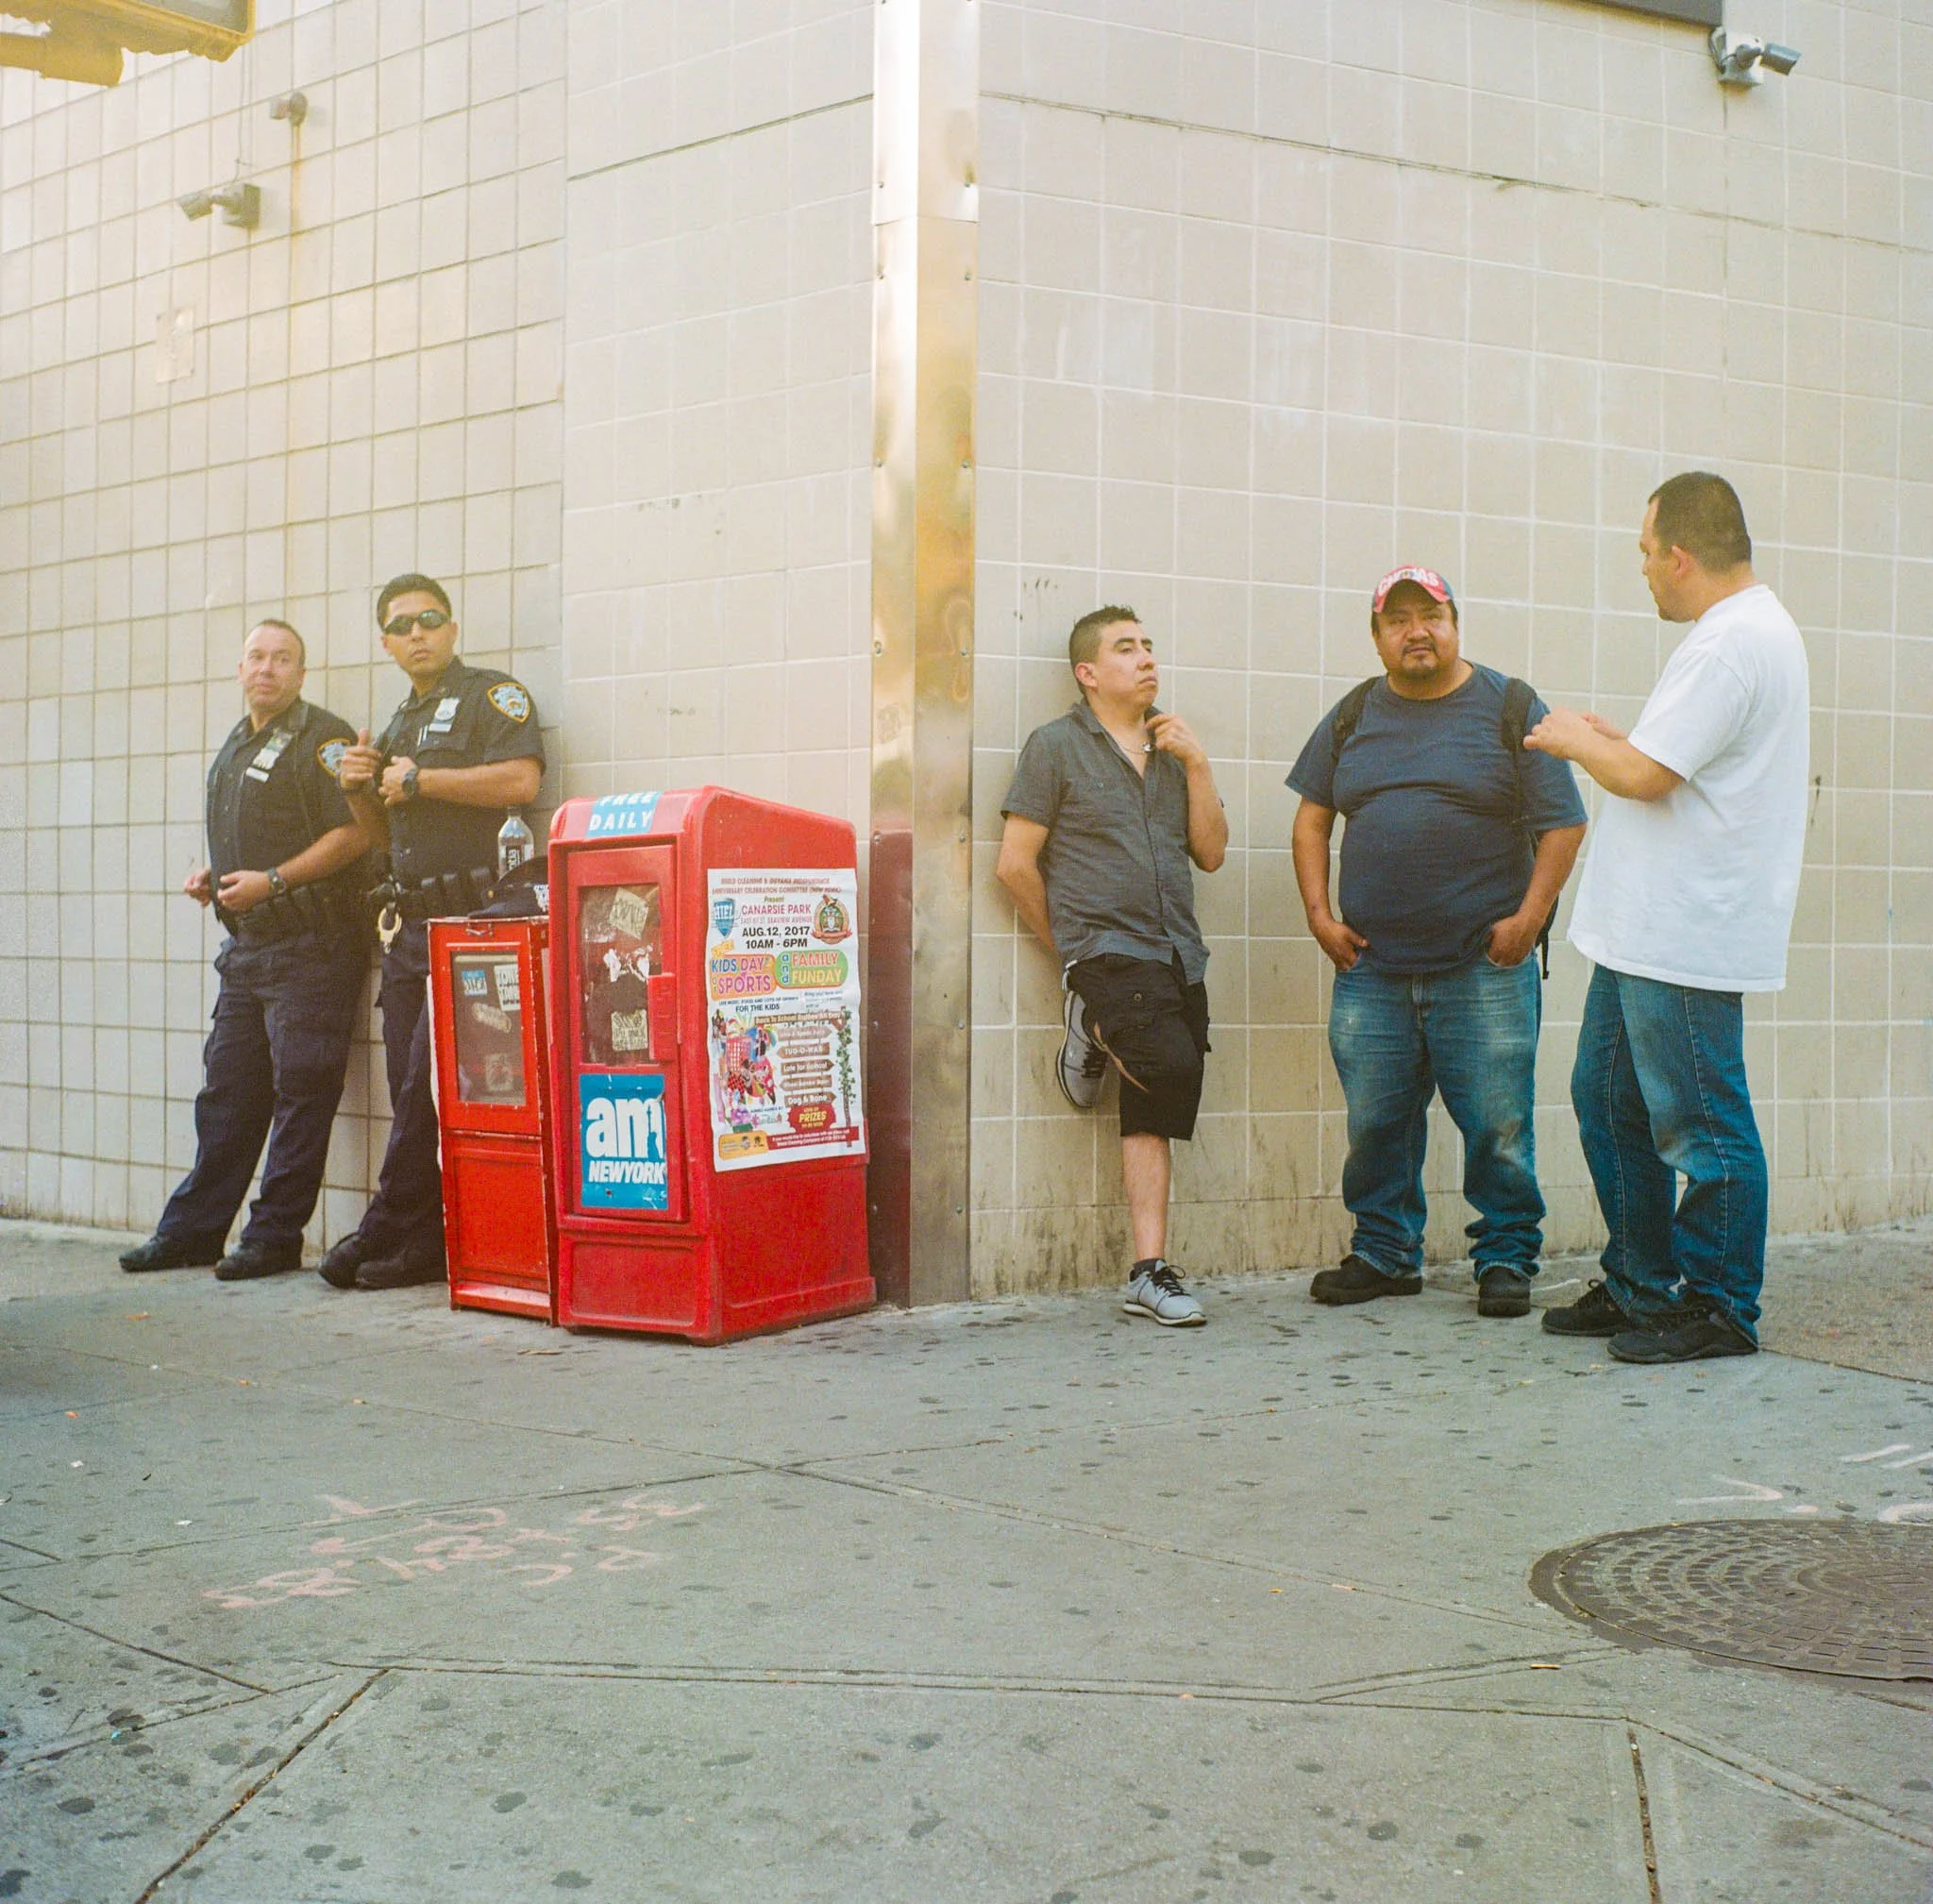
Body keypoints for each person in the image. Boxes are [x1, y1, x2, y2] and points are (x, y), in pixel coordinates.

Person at [1525, 474, 1808, 1363]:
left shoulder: (1732, 642)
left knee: (1701, 1124)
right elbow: (1669, 761)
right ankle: (1642, 1283)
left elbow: (1647, 778)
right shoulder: (1737, 633)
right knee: (1607, 1098)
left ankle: (1720, 1305)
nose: (1642, 568)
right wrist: (1617, 742)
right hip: (1644, 932)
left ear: (1680, 556)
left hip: (1685, 934)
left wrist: (1575, 740)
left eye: (1646, 552)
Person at [1286, 566, 1587, 1317]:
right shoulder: (1354, 714)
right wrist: (1319, 916)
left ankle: (1506, 1256)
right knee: (1375, 1125)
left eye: (1432, 615)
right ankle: (1385, 1253)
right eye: (1398, 619)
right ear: (1377, 635)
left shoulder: (1510, 706)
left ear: (1456, 624)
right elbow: (1312, 818)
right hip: (1371, 968)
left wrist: (1528, 921)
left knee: (1497, 1126)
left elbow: (1564, 822)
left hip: (1482, 966)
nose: (1416, 631)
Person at [997, 607, 1228, 1326]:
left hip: (1175, 950)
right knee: (1168, 1063)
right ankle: (1092, 1017)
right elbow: (1014, 865)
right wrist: (1070, 953)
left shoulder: (1173, 748)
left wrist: (1198, 764)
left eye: (1148, 645)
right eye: (1126, 648)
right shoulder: (1055, 747)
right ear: (1088, 673)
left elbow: (1212, 852)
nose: (1146, 657)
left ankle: (1147, 1271)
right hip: (1105, 948)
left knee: (1155, 1100)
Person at [120, 621, 370, 1281]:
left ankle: (273, 1239)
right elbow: (259, 837)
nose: (267, 668)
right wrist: (218, 878)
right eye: (256, 657)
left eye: (282, 659)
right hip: (249, 949)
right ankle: (192, 1232)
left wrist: (274, 881)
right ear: (239, 669)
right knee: (226, 1095)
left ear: (301, 674)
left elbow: (354, 834)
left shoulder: (323, 738)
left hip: (311, 947)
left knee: (302, 1093)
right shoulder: (238, 741)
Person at [320, 575, 545, 1292]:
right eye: (401, 625)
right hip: (411, 926)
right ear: (386, 643)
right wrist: (358, 789)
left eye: (429, 619)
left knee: (426, 1086)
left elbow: (522, 781)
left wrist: (424, 782)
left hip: (474, 921)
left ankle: (386, 1221)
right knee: (406, 1084)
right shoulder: (397, 726)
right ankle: (424, 1240)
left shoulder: (491, 696)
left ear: (452, 629)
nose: (416, 633)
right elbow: (382, 837)